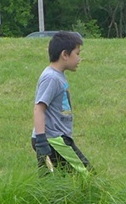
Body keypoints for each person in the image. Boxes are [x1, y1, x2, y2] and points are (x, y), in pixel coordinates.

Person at [33, 31, 91, 173]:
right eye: (77, 54)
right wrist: (41, 141)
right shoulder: (51, 78)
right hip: (53, 140)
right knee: (87, 176)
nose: (79, 59)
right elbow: (39, 108)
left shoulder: (58, 76)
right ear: (64, 55)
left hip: (58, 139)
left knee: (56, 183)